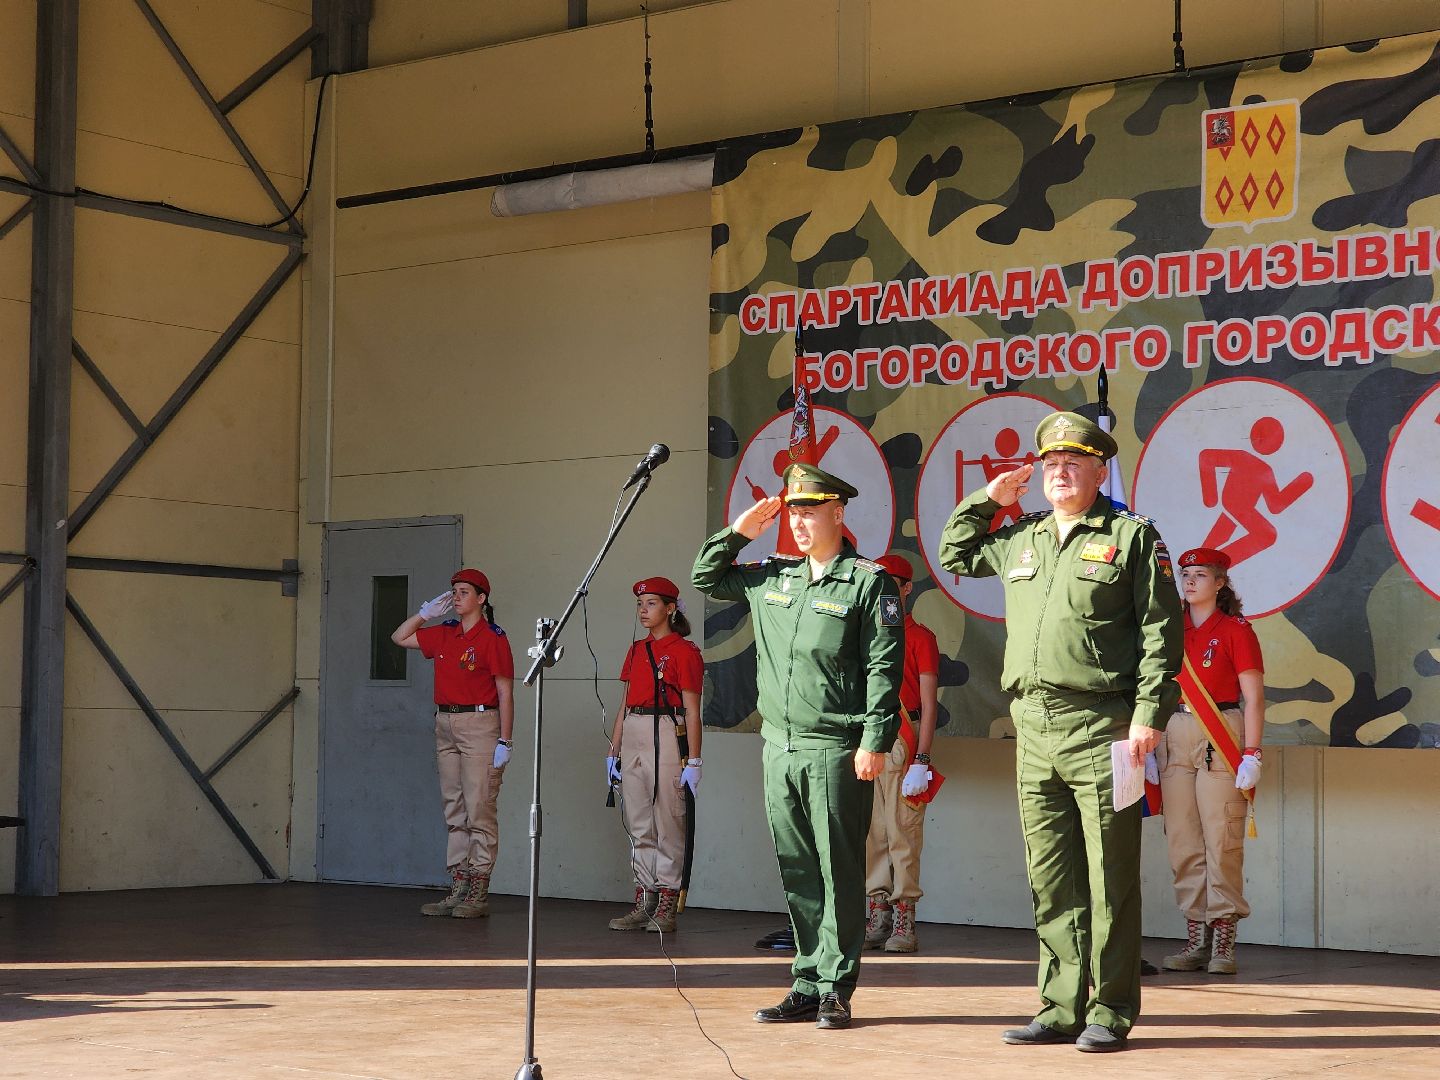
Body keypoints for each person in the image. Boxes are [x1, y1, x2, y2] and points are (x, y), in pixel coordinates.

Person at [939, 410, 1182, 1053]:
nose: (1058, 473)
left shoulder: (1131, 537)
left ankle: (1110, 1009)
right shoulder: (1024, 539)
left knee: (1110, 875)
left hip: (1106, 725)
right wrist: (990, 499)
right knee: (1050, 876)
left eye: (1072, 462)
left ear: (1100, 470)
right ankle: (1060, 1005)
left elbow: (1162, 633)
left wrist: (1147, 718)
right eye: (1049, 464)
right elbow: (954, 551)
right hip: (1034, 726)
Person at [692, 461, 903, 1031]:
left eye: (811, 512)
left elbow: (884, 669)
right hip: (778, 747)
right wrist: (740, 532)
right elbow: (706, 578)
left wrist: (874, 739)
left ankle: (837, 986)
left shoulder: (868, 582)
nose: (801, 524)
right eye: (794, 514)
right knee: (797, 868)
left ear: (838, 513)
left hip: (836, 746)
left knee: (839, 870)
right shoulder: (772, 576)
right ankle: (807, 980)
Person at [1159, 547, 1264, 975]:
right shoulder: (1171, 628)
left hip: (1221, 729)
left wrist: (1253, 752)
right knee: (1182, 838)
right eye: (1185, 574)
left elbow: (1254, 697)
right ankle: (1195, 939)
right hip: (1174, 729)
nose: (1189, 581)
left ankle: (1223, 940)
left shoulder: (1237, 630)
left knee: (1222, 836)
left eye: (1200, 575)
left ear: (1220, 583)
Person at [391, 568, 515, 919]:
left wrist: (505, 739)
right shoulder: (445, 634)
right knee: (454, 808)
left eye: (464, 592)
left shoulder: (493, 638)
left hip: (480, 722)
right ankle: (458, 883)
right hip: (445, 721)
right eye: (454, 592)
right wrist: (425, 613)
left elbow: (505, 692)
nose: (457, 597)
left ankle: (478, 888)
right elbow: (399, 637)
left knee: (479, 806)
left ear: (481, 598)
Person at [605, 577, 704, 934]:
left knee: (669, 819)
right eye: (640, 604)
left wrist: (694, 759)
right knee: (639, 820)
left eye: (651, 603)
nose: (643, 610)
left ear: (670, 608)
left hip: (666, 728)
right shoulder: (636, 650)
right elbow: (624, 703)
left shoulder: (685, 651)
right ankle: (643, 898)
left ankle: (666, 901)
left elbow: (692, 710)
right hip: (634, 729)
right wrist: (613, 749)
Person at [864, 553, 940, 953]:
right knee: (871, 833)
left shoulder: (921, 636)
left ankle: (904, 919)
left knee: (902, 835)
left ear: (907, 588)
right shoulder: (866, 632)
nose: (884, 588)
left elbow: (928, 705)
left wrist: (922, 758)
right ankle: (877, 912)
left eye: (892, 581)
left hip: (901, 741)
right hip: (867, 741)